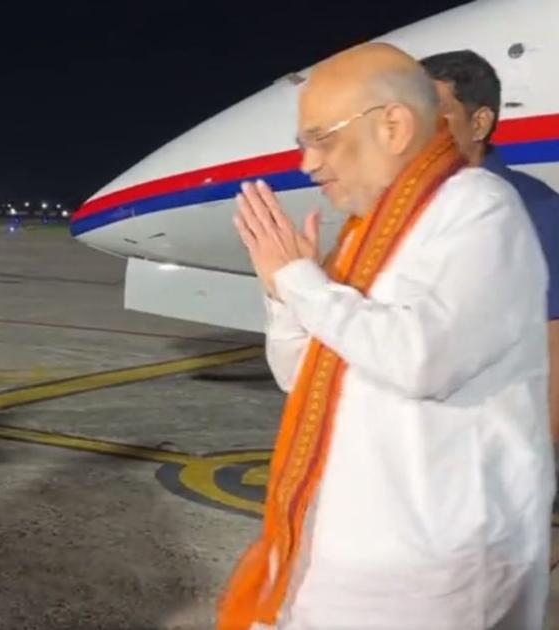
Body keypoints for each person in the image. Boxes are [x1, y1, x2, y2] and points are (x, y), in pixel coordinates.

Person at [219, 43, 553, 629]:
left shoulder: (484, 208)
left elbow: (422, 360)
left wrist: (302, 283)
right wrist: (283, 295)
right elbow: (302, 374)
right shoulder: (366, 232)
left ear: (394, 126)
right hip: (342, 559)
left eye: (321, 139)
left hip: (428, 577)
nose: (308, 164)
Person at [420, 50, 559, 446]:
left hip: (492, 450)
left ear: (479, 123)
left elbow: (553, 350)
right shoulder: (402, 212)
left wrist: (535, 458)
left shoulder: (533, 211)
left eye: (436, 117)